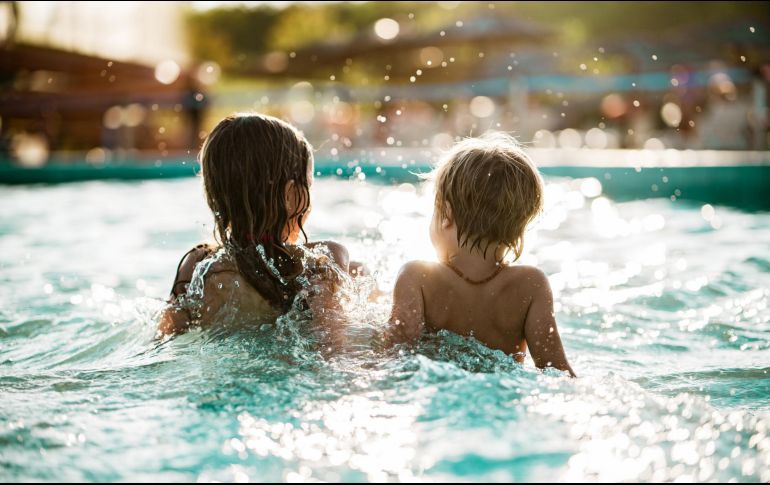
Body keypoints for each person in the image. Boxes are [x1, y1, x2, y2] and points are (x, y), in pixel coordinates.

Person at [387, 133, 575, 377]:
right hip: (503, 397)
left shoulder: (417, 276)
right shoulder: (531, 285)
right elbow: (557, 371)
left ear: (446, 214)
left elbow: (395, 358)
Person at [158, 113, 352, 337]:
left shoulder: (197, 265)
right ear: (290, 195)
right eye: (308, 185)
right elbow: (332, 347)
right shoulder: (321, 260)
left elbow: (165, 336)